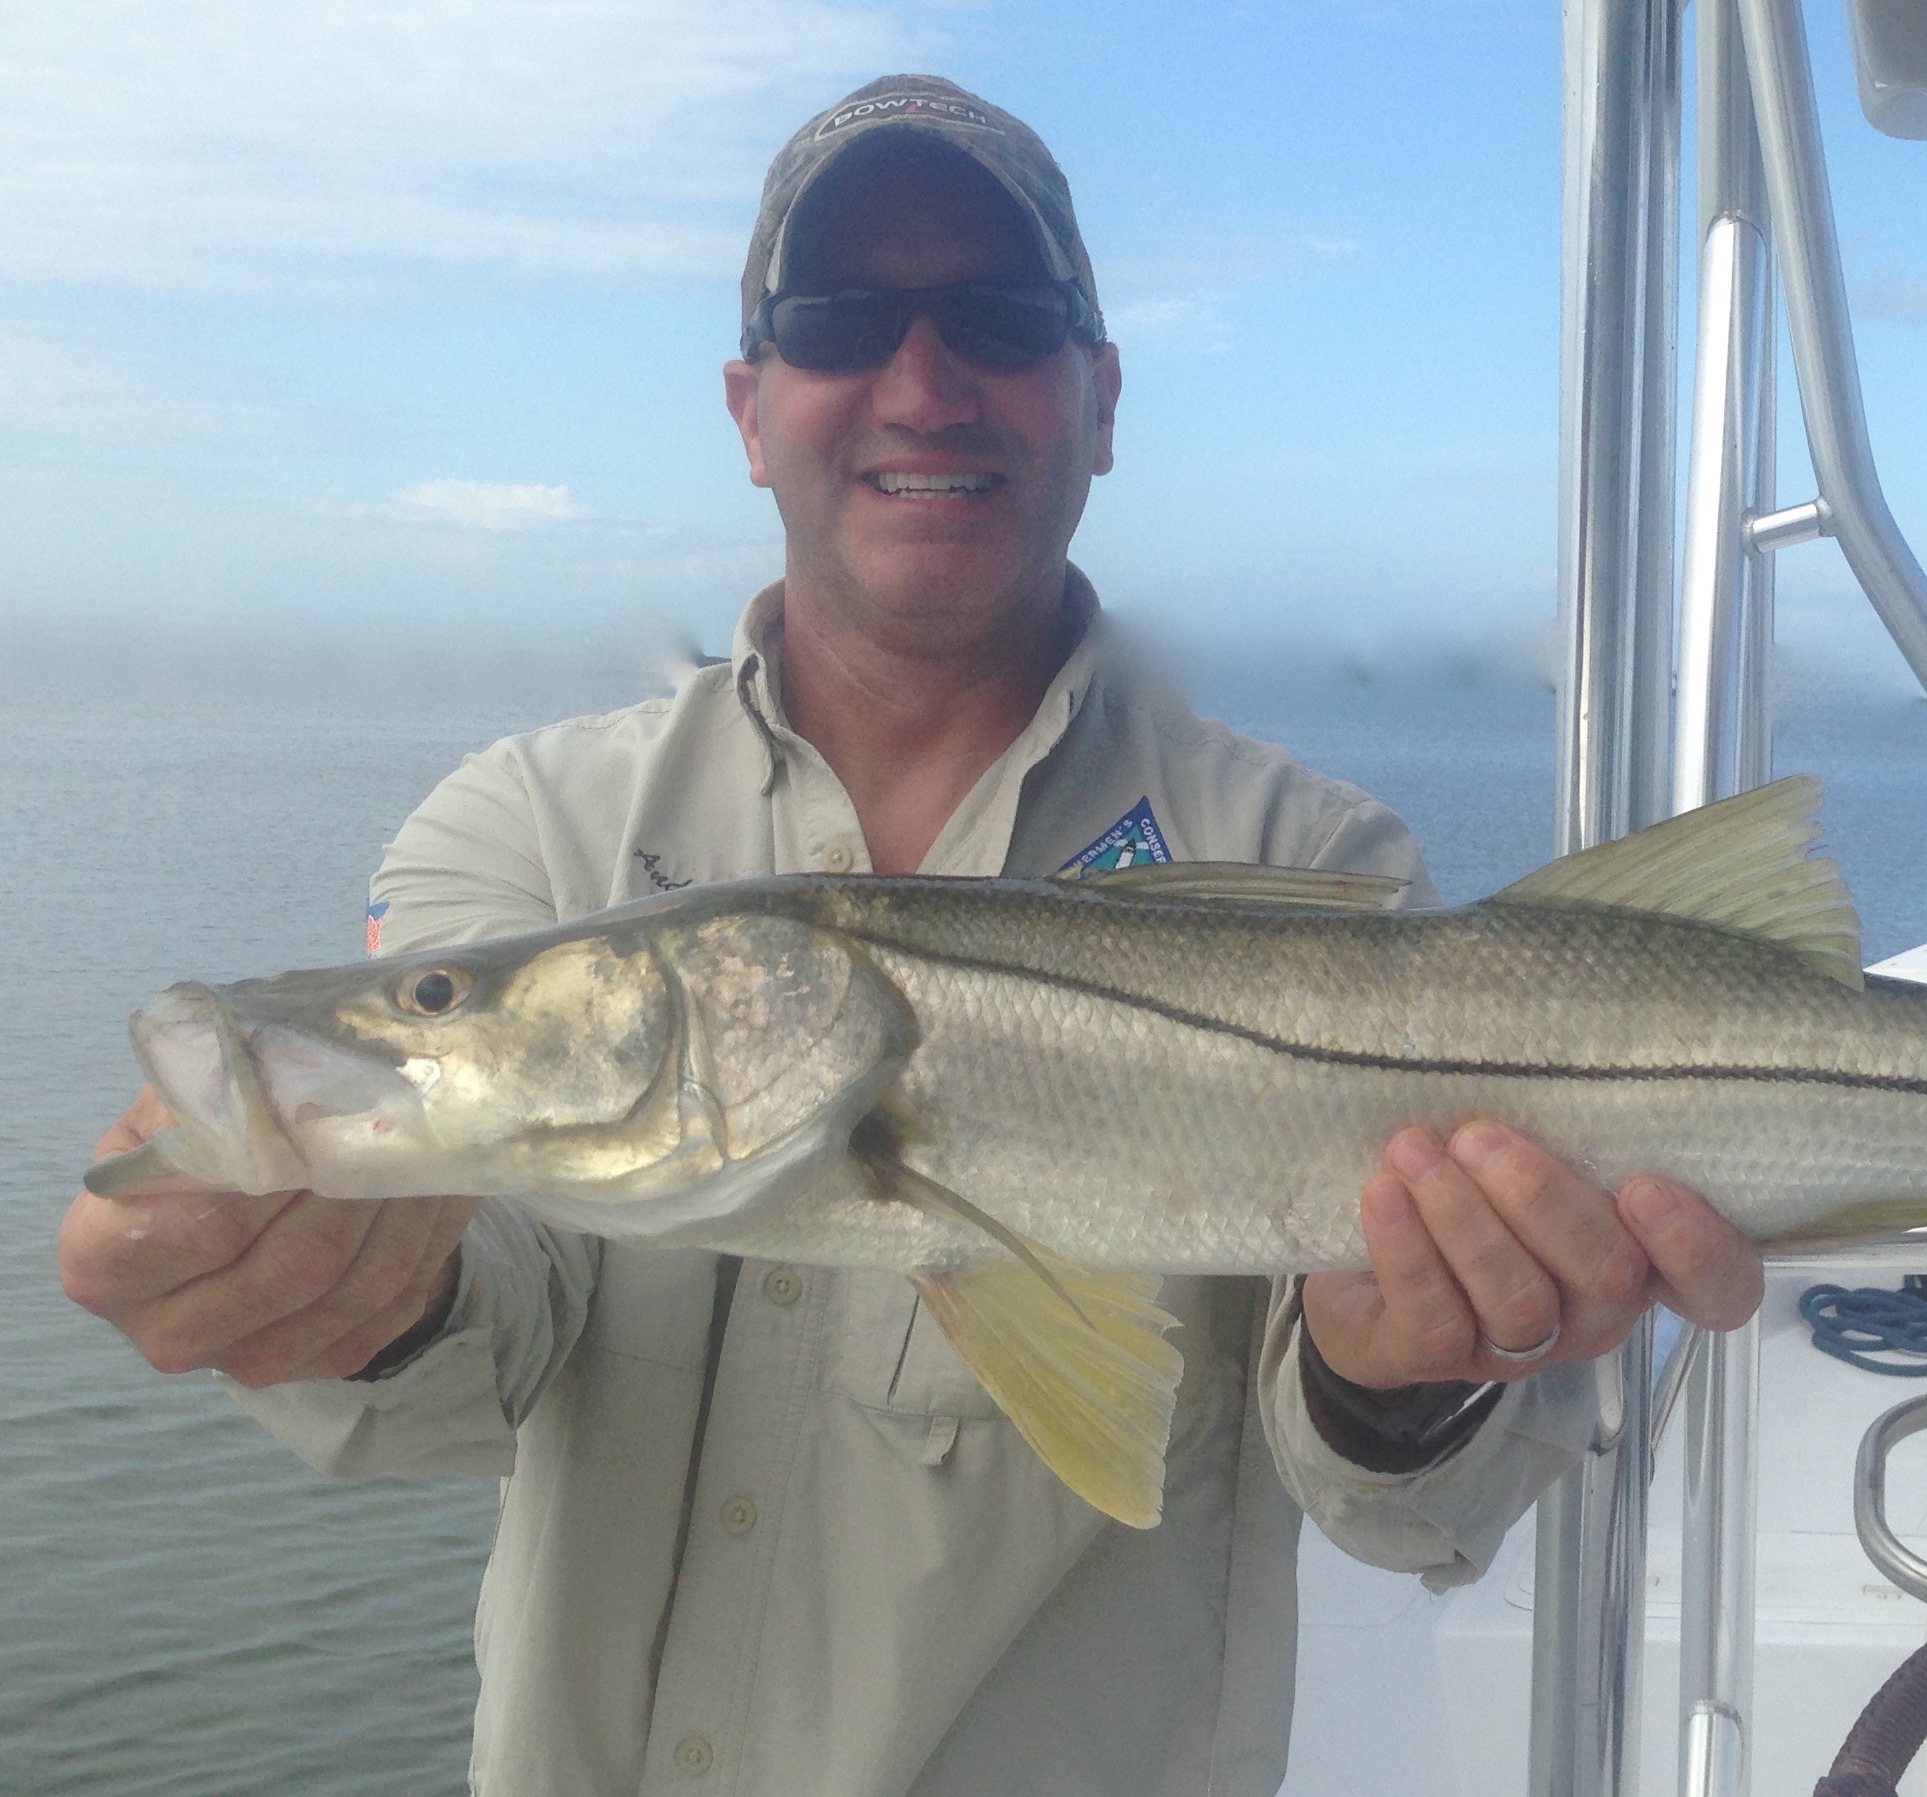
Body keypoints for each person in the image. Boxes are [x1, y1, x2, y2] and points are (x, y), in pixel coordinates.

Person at [58, 76, 1765, 1796]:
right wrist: (346, 1293)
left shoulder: (1302, 856)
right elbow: (483, 1353)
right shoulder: (528, 833)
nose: (923, 380)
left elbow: (1383, 1499)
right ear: (749, 406)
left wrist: (1397, 1378)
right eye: (839, 320)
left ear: (1098, 400)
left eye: (1004, 319)